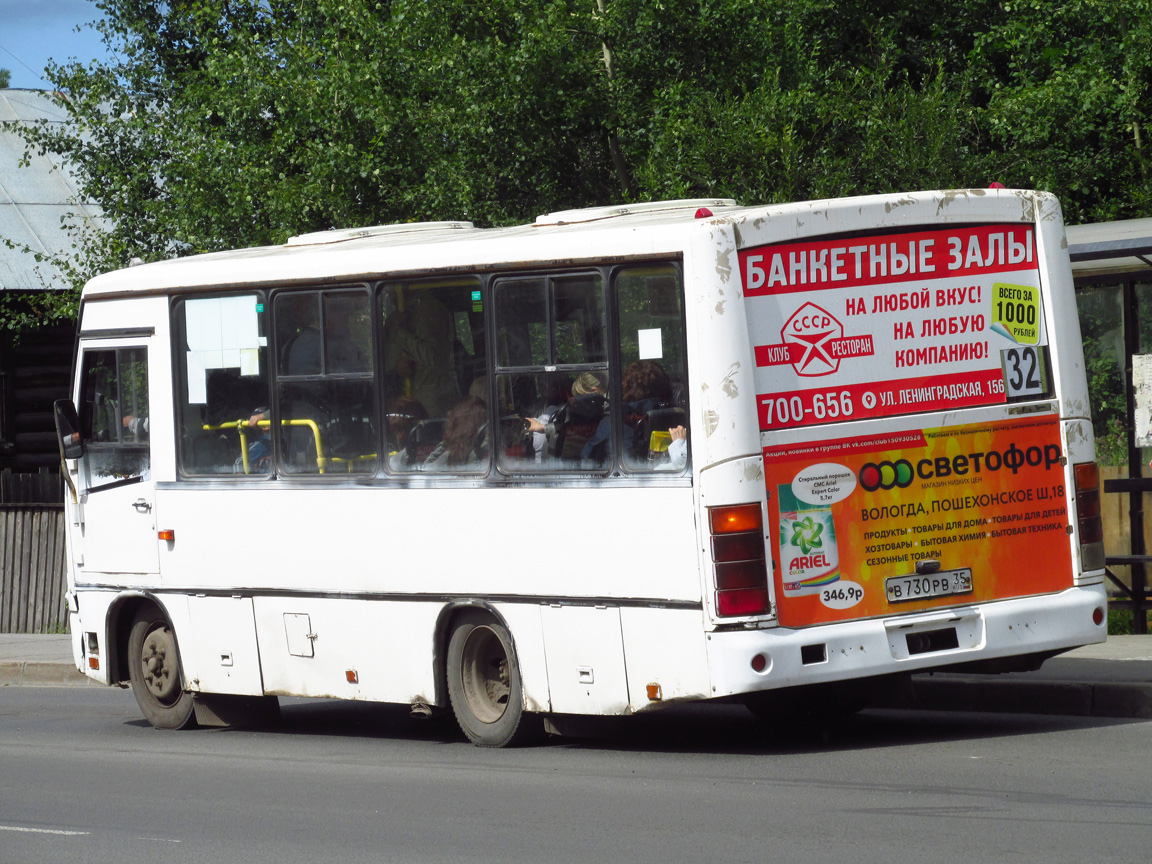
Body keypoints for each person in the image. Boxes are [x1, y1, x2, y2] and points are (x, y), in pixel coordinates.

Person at [424, 397, 487, 469]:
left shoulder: (478, 451)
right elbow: (426, 468)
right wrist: (446, 443)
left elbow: (426, 469)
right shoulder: (449, 453)